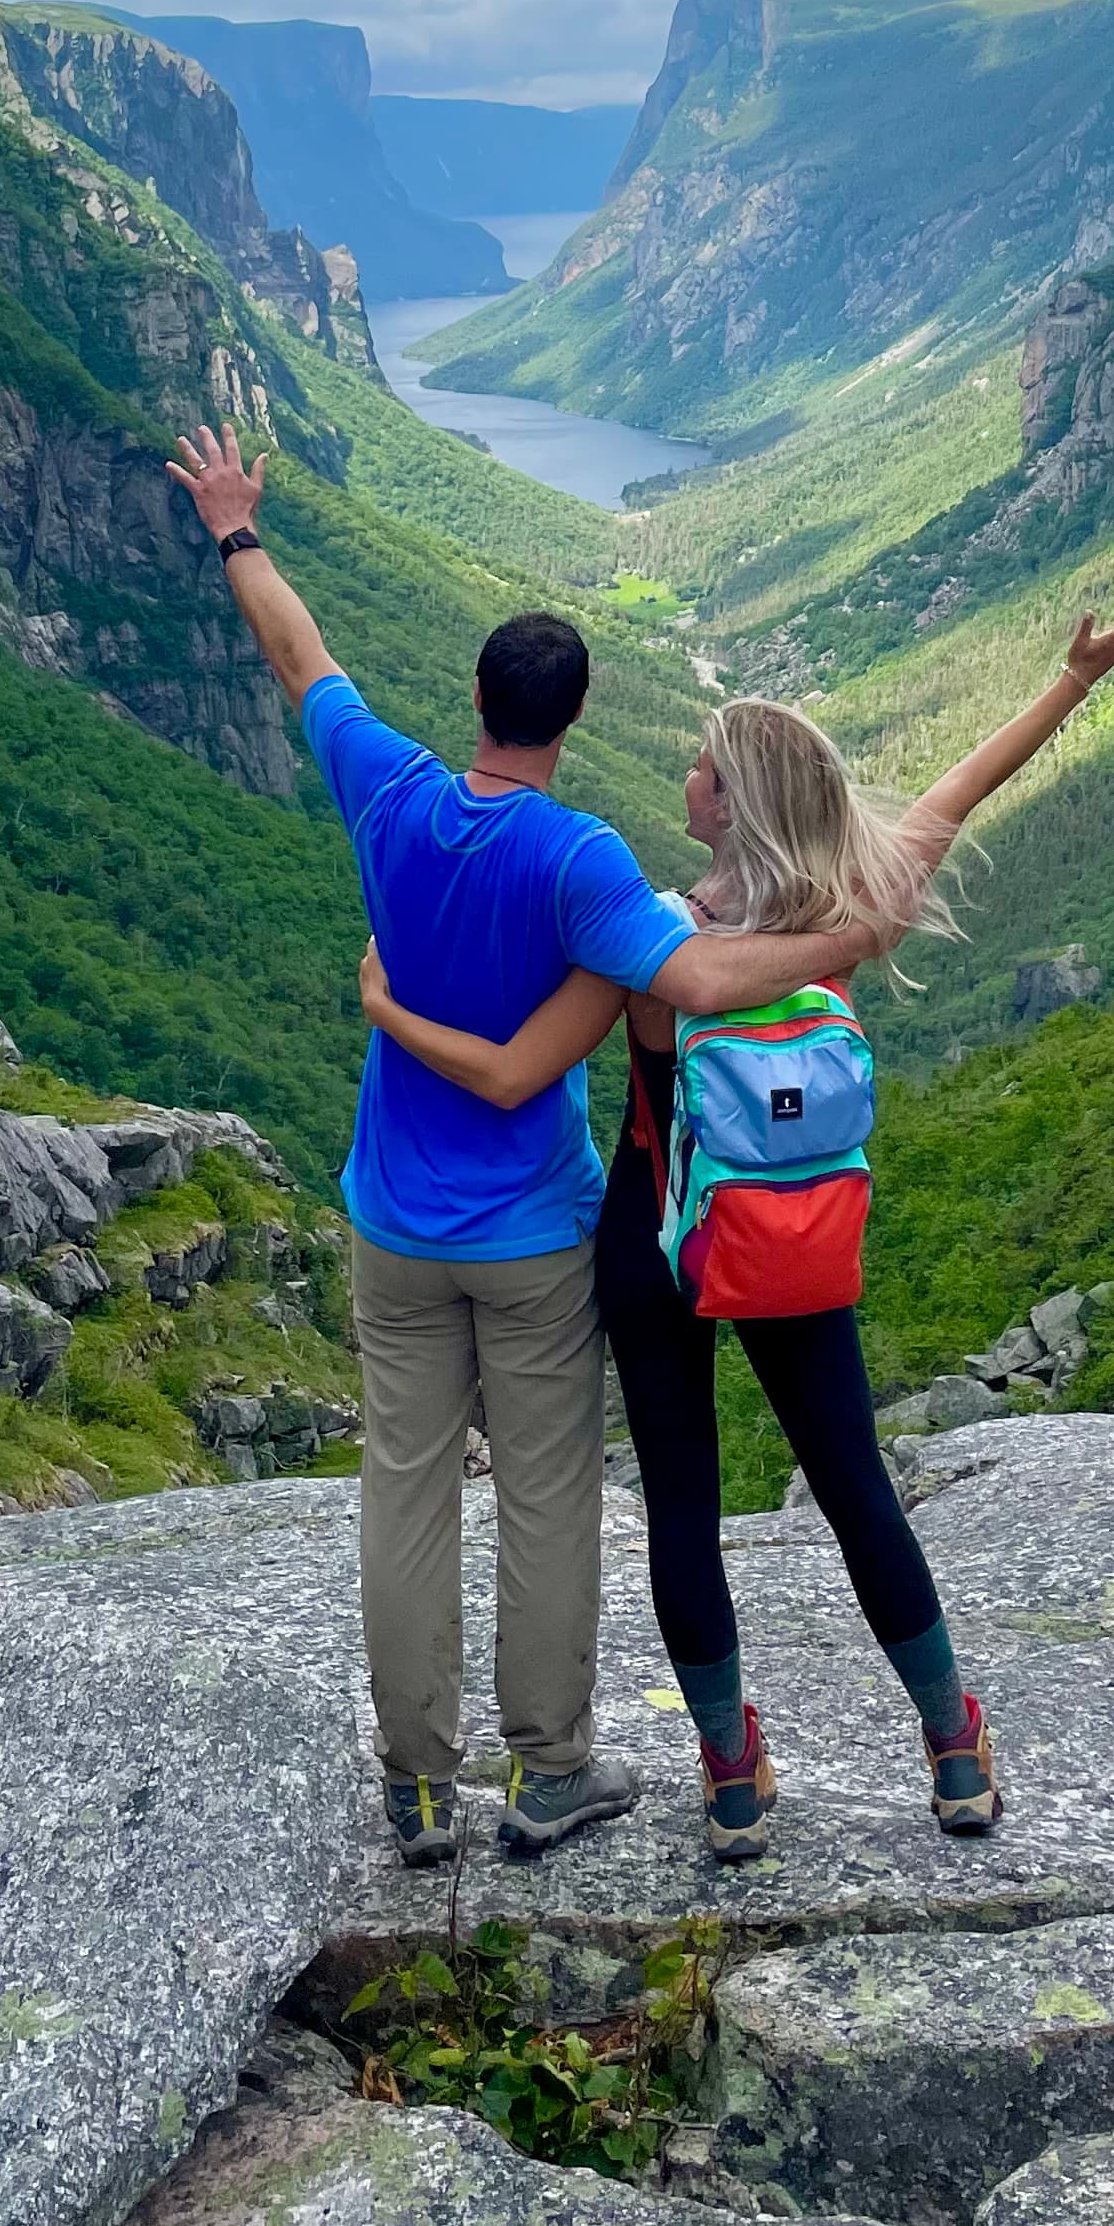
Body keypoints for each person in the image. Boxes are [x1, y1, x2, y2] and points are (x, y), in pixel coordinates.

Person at [166, 422, 881, 1871]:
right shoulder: (582, 863)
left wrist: (238, 530)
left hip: (394, 1229)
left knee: (405, 1492)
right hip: (539, 1236)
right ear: (568, 721)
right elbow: (698, 988)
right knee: (549, 1502)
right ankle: (548, 1775)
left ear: (476, 702)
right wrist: (855, 930)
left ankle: (416, 1786)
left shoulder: (391, 791)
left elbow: (301, 658)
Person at [359, 607, 1114, 1861]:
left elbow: (526, 1069)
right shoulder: (842, 915)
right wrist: (1070, 684)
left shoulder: (646, 935)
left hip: (656, 1240)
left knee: (685, 1508)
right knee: (854, 1491)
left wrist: (390, 1006)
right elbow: (965, 791)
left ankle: (732, 1778)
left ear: (730, 802)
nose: (682, 774)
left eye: (699, 762)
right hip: (786, 1241)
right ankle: (954, 1750)